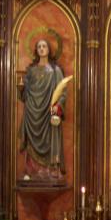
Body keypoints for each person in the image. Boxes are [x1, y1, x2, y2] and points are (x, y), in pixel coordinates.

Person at [18, 39, 71, 180]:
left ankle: (51, 170)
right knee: (31, 144)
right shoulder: (31, 71)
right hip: (32, 114)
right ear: (36, 50)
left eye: (44, 46)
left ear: (49, 50)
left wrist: (57, 108)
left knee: (51, 139)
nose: (41, 49)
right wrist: (21, 89)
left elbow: (62, 93)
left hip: (49, 113)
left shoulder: (55, 71)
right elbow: (25, 95)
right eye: (39, 47)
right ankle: (32, 172)